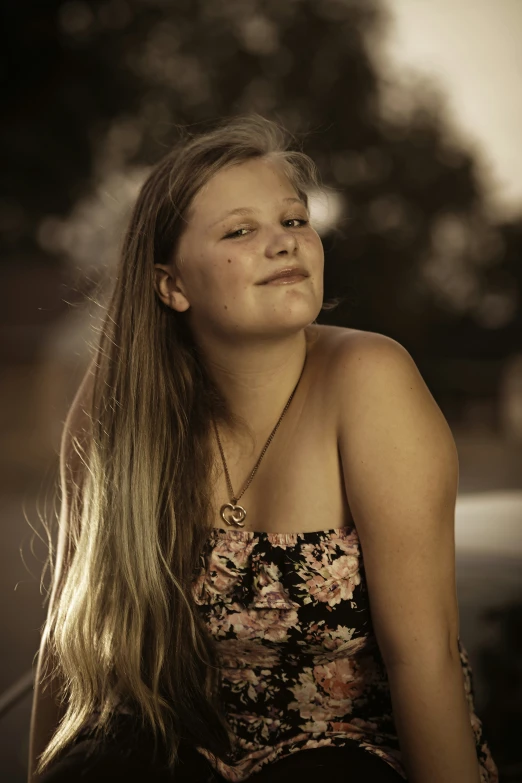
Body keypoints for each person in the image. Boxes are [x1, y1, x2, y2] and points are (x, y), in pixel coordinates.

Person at [28, 114, 498, 783]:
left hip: (347, 760)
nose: (285, 243)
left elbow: (423, 658)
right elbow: (68, 635)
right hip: (172, 754)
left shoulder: (369, 380)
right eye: (241, 230)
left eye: (295, 221)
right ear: (172, 285)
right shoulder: (121, 401)